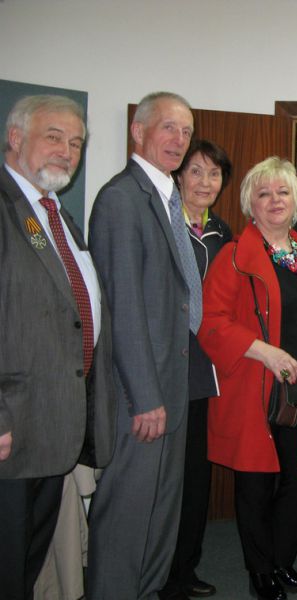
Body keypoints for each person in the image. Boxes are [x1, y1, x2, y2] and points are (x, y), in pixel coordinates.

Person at [0, 94, 116, 600]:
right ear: (15, 136)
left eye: (76, 143)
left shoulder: (56, 216)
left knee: (26, 564)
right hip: (11, 428)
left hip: (52, 426)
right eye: (54, 137)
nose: (67, 152)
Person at [88, 91, 200, 600]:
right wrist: (145, 397)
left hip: (171, 388)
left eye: (186, 131)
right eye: (168, 127)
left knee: (159, 520)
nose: (179, 140)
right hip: (142, 397)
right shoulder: (122, 199)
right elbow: (125, 307)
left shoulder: (169, 198)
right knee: (127, 520)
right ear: (138, 131)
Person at [198, 157, 297, 600]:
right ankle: (260, 570)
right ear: (250, 202)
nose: (274, 201)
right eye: (264, 193)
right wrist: (265, 352)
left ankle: (283, 561)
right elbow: (210, 322)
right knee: (256, 482)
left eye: (283, 192)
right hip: (254, 384)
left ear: (295, 198)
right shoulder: (233, 255)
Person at [162, 139, 234, 599]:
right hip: (169, 363)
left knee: (196, 476)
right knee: (167, 476)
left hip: (208, 368)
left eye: (214, 174)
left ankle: (184, 568)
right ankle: (161, 572)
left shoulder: (223, 232)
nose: (205, 182)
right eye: (196, 172)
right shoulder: (163, 224)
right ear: (178, 176)